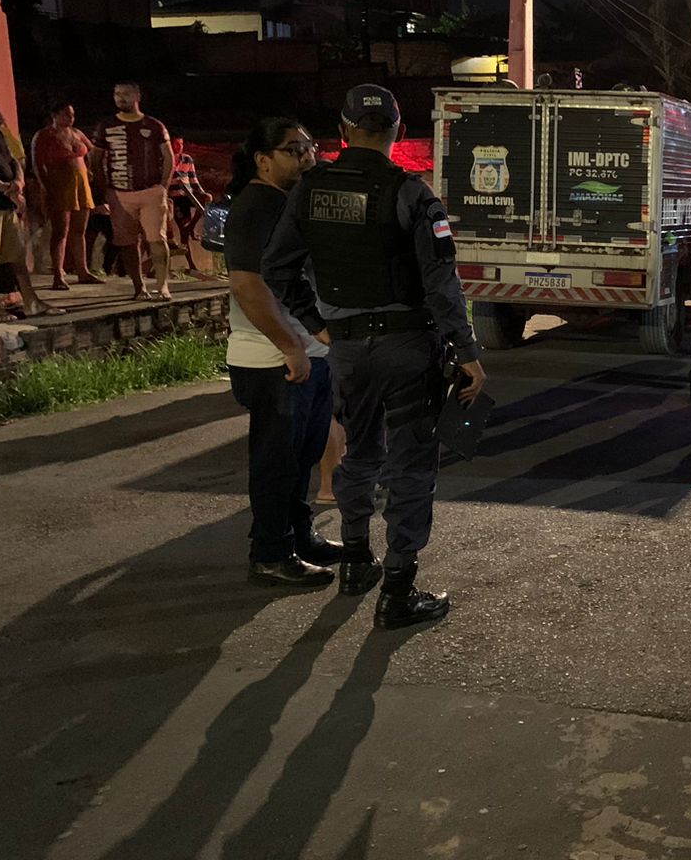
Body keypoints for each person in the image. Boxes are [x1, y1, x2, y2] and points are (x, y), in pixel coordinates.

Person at [263, 84, 486, 630]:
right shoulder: (411, 194)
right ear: (397, 131)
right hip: (407, 348)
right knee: (410, 467)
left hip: (345, 349)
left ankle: (356, 561)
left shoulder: (309, 190)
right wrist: (467, 352)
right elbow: (441, 284)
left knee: (358, 454)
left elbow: (276, 267)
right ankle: (399, 591)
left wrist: (316, 323)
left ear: (342, 132)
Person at [224, 118, 344, 588]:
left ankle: (298, 536)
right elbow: (247, 285)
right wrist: (290, 347)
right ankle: (271, 553)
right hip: (273, 359)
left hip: (306, 351)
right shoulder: (256, 207)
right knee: (276, 462)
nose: (307, 156)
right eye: (294, 150)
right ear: (263, 160)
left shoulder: (285, 203)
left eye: (309, 147)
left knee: (302, 456)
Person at [0, 97, 62, 322]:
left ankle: (31, 301)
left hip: (6, 204)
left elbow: (13, 160)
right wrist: (6, 188)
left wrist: (18, 182)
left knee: (17, 256)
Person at [91, 81, 174, 301]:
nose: (121, 98)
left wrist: (163, 186)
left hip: (150, 191)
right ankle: (139, 287)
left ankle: (162, 286)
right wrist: (104, 189)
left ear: (138, 96)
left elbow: (168, 157)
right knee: (126, 241)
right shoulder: (106, 126)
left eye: (126, 93)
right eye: (117, 93)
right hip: (119, 193)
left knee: (157, 239)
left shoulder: (154, 125)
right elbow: (95, 159)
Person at [30, 101, 101, 291]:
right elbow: (37, 164)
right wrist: (46, 188)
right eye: (66, 114)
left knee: (79, 230)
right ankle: (58, 273)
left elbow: (93, 151)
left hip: (81, 186)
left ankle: (83, 271)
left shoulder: (77, 133)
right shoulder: (45, 135)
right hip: (59, 186)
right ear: (54, 115)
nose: (70, 118)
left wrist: (90, 168)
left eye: (72, 115)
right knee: (60, 231)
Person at [166, 136, 215, 279]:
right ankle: (190, 262)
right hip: (173, 197)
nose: (178, 147)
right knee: (182, 229)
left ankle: (191, 227)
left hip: (187, 195)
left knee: (206, 199)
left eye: (180, 144)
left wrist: (202, 192)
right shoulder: (165, 159)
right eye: (176, 144)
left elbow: (194, 179)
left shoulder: (187, 159)